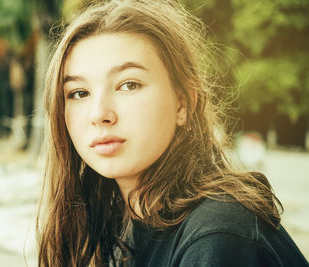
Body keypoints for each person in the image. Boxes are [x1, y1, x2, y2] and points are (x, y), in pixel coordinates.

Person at [36, 0, 309, 266]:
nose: (99, 114)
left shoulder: (218, 232)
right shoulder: (113, 225)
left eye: (128, 85)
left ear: (183, 103)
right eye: (79, 93)